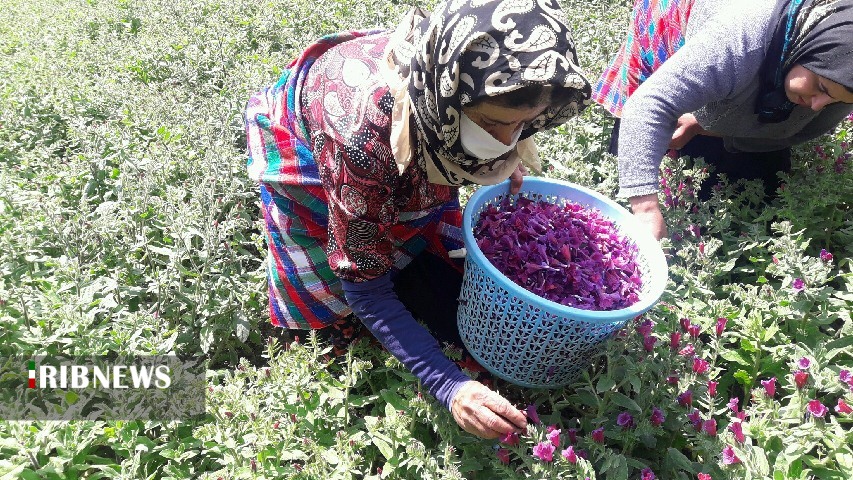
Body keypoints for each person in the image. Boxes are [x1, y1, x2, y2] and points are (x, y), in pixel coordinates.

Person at [244, 0, 592, 439]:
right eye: (490, 123)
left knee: (416, 238)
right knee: (344, 294)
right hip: (324, 149)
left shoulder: (461, 79)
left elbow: (491, 132)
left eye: (521, 124)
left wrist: (500, 155)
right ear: (445, 99)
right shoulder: (364, 141)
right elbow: (364, 287)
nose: (507, 140)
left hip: (393, 128)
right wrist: (449, 386)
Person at [594, 0, 853, 240]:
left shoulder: (841, 79)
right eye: (821, 87)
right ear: (811, 50)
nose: (818, 105)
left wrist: (705, 126)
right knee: (648, 143)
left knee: (756, 191)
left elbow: (794, 132)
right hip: (693, 17)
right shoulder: (741, 41)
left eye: (834, 100)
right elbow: (649, 105)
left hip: (757, 60)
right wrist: (645, 209)